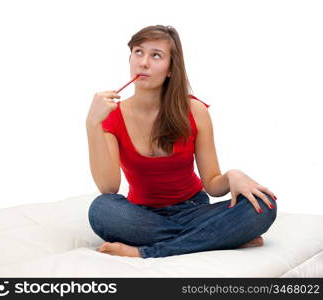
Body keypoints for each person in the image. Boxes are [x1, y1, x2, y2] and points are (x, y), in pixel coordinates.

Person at [85, 25, 277, 258]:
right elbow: (109, 188)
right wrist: (92, 125)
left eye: (156, 55)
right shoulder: (111, 116)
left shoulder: (194, 110)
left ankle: (148, 251)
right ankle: (218, 238)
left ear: (170, 69)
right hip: (142, 216)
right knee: (101, 210)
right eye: (138, 51)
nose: (143, 62)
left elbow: (213, 184)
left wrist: (233, 175)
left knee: (264, 205)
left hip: (193, 209)